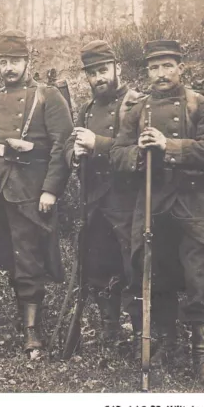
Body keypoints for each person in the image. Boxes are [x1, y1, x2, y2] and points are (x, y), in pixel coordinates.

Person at [110, 40, 204, 382]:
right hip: (152, 206)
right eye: (154, 68)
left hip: (194, 207)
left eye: (167, 66)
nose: (161, 74)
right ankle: (162, 342)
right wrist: (138, 152)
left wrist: (169, 146)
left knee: (199, 276)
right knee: (149, 270)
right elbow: (117, 153)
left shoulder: (201, 106)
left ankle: (203, 355)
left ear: (180, 67)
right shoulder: (137, 111)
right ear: (146, 72)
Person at [0, 30, 72, 353]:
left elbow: (63, 145)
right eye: (4, 62)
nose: (10, 68)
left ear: (27, 62)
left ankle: (32, 330)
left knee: (28, 255)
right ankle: (22, 314)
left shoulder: (47, 96)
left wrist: (50, 189)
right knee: (8, 253)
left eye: (16, 61)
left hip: (31, 189)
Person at [64, 40, 143, 345]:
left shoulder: (136, 104)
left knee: (133, 265)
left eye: (103, 70)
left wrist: (97, 143)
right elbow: (71, 150)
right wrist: (75, 154)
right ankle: (109, 329)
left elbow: (138, 153)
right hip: (94, 201)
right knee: (98, 265)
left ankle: (140, 333)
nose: (98, 78)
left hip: (127, 201)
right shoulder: (85, 109)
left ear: (117, 68)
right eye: (92, 73)